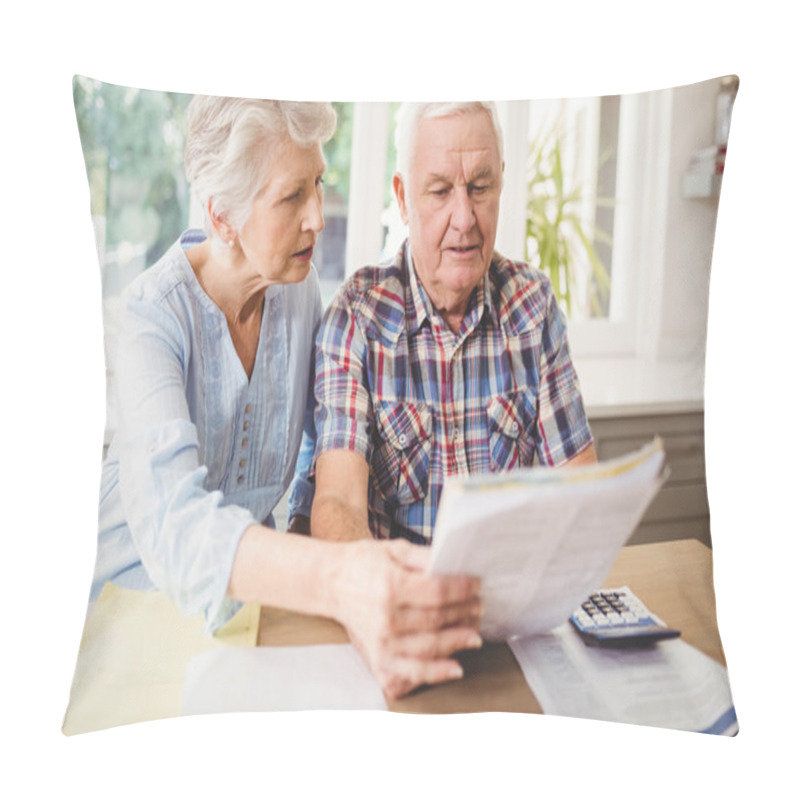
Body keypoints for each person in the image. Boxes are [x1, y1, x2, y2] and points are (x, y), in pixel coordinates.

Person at [90, 96, 482, 700]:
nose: (319, 216)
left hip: (242, 618)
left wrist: (312, 528)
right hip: (125, 615)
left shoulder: (296, 292)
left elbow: (322, 444)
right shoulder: (152, 318)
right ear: (223, 217)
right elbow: (176, 526)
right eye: (292, 195)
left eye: (318, 183)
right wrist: (336, 575)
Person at [311, 101, 598, 544]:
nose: (464, 220)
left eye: (480, 187)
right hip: (403, 598)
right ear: (403, 199)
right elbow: (338, 507)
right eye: (441, 191)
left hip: (514, 594)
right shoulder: (356, 318)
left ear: (501, 182)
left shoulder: (533, 306)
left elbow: (580, 491)